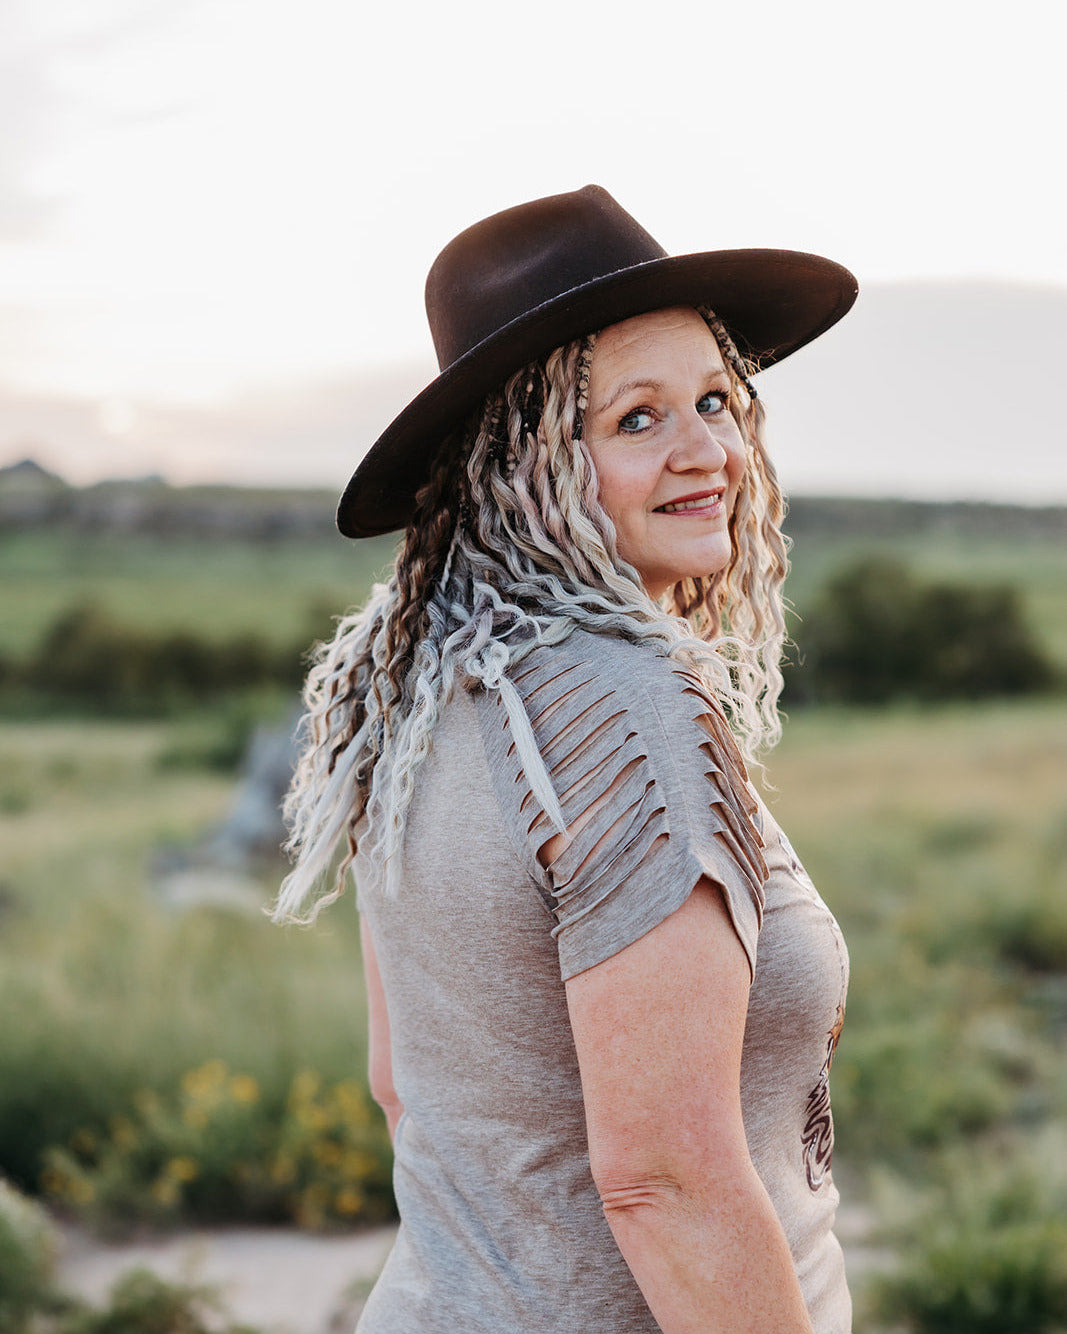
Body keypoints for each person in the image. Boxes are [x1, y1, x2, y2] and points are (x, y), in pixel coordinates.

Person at [276, 185, 858, 1334]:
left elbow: (406, 1085)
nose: (709, 451)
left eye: (714, 398)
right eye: (634, 419)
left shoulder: (426, 688)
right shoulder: (625, 699)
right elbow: (664, 1180)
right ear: (520, 463)